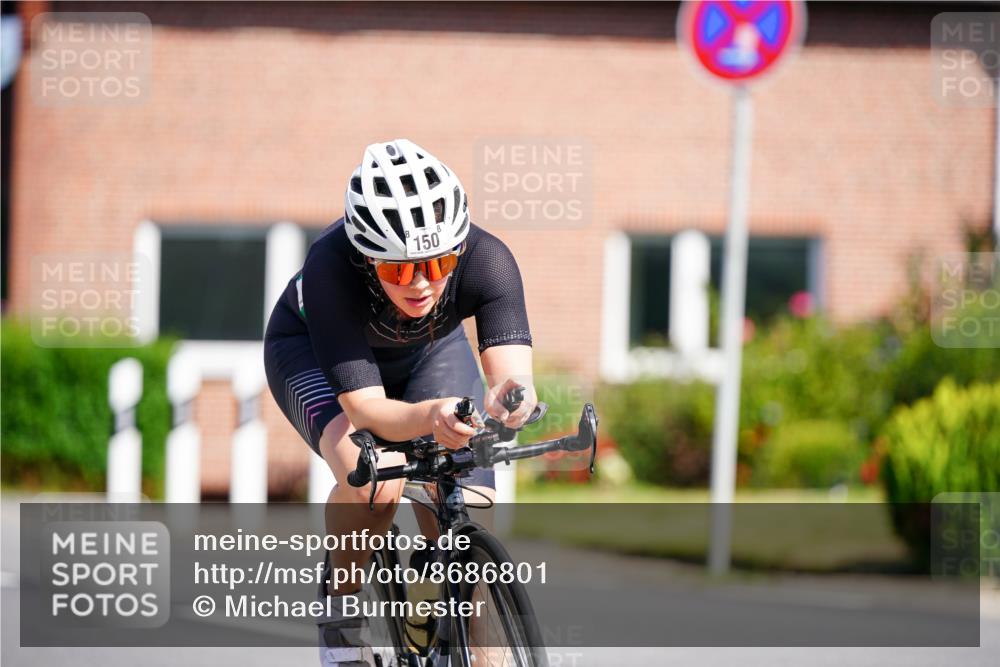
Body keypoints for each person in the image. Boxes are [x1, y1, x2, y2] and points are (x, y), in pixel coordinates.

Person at [263, 138, 537, 666]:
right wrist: (433, 417)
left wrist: (509, 401)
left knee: (466, 498)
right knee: (376, 479)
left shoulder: (489, 259)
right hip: (314, 356)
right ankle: (341, 614)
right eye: (397, 270)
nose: (420, 285)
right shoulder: (330, 268)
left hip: (428, 353)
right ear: (368, 257)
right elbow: (366, 409)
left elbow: (509, 376)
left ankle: (461, 639)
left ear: (459, 247)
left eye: (438, 265)